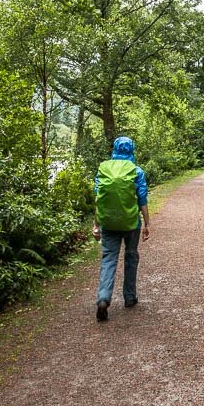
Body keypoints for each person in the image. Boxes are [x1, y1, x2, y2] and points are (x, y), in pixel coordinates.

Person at [92, 136, 150, 322]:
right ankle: (130, 297)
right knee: (131, 255)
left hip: (108, 222)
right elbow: (142, 199)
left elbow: (98, 199)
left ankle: (103, 298)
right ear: (132, 149)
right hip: (131, 223)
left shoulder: (104, 169)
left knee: (109, 259)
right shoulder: (137, 171)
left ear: (114, 148)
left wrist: (96, 224)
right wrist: (148, 223)